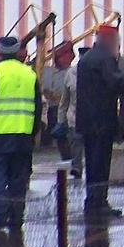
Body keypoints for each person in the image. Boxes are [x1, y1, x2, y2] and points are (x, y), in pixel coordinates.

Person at [0, 36, 43, 231]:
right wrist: (34, 131)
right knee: (18, 178)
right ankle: (16, 215)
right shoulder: (30, 74)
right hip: (23, 135)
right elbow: (38, 107)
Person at [76, 25, 124, 218]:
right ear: (110, 40)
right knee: (101, 163)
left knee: (91, 164)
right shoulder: (105, 59)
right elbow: (116, 82)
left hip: (86, 120)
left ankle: (91, 201)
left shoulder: (86, 58)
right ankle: (99, 202)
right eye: (116, 42)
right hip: (102, 120)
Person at [53, 42, 81, 177]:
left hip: (91, 117)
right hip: (74, 118)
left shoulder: (96, 72)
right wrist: (61, 120)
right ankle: (76, 167)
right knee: (75, 143)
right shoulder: (71, 74)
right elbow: (65, 100)